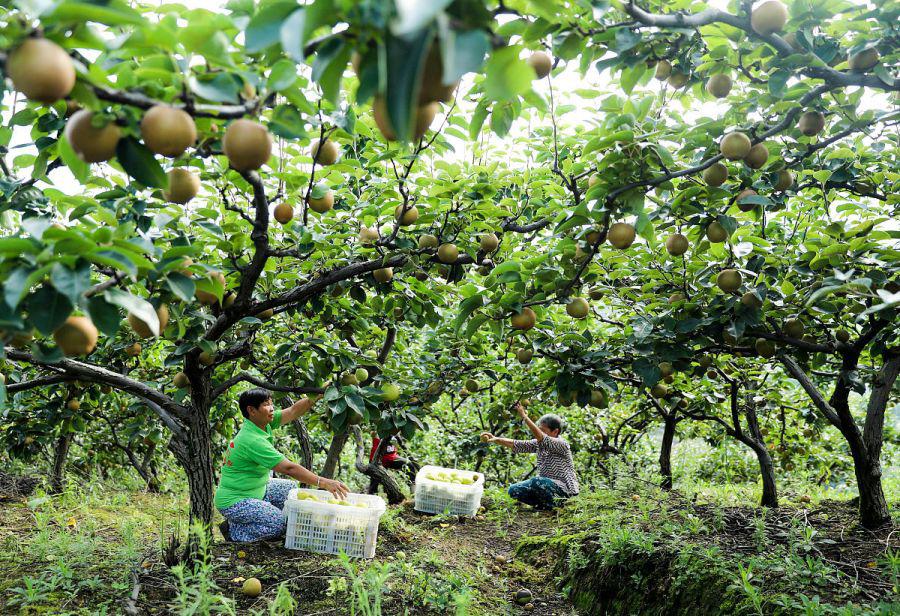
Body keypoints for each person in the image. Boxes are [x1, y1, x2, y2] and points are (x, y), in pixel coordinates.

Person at [215, 388, 349, 542]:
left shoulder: (263, 423)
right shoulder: (251, 440)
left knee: (290, 490)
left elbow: (293, 411)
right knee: (278, 525)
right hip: (235, 501)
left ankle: (259, 514)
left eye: (271, 403)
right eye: (266, 405)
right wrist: (323, 482)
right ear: (251, 410)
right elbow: (288, 468)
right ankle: (233, 530)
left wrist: (319, 393)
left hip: (257, 489)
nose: (272, 408)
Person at [481, 403, 579, 510]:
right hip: (543, 485)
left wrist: (525, 417)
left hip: (564, 489)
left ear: (555, 431)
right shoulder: (539, 443)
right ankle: (543, 505)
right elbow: (516, 444)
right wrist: (496, 439)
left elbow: (542, 438)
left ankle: (559, 506)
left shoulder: (562, 444)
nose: (539, 433)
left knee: (536, 481)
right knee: (513, 490)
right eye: (539, 429)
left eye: (543, 430)